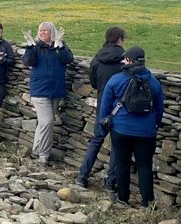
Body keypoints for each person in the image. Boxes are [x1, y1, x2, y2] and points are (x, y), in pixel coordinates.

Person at [99, 46, 164, 207]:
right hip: (146, 131)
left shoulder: (116, 79)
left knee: (122, 164)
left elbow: (105, 106)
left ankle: (122, 198)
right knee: (144, 166)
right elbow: (159, 108)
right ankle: (147, 202)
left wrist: (104, 124)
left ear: (128, 60)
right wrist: (154, 125)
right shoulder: (153, 82)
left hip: (121, 129)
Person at [75, 26, 126, 190]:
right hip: (120, 108)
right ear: (120, 39)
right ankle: (111, 183)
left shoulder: (97, 58)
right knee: (117, 146)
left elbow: (94, 83)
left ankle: (82, 176)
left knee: (96, 140)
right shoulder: (125, 60)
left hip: (103, 104)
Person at [22, 22, 74, 165]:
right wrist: (30, 46)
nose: (42, 32)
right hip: (39, 90)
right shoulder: (36, 46)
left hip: (56, 90)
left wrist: (59, 45)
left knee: (43, 124)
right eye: (40, 30)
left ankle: (35, 150)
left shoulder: (60, 46)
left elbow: (68, 59)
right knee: (47, 121)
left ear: (52, 32)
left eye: (45, 30)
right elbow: (27, 62)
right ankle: (44, 155)